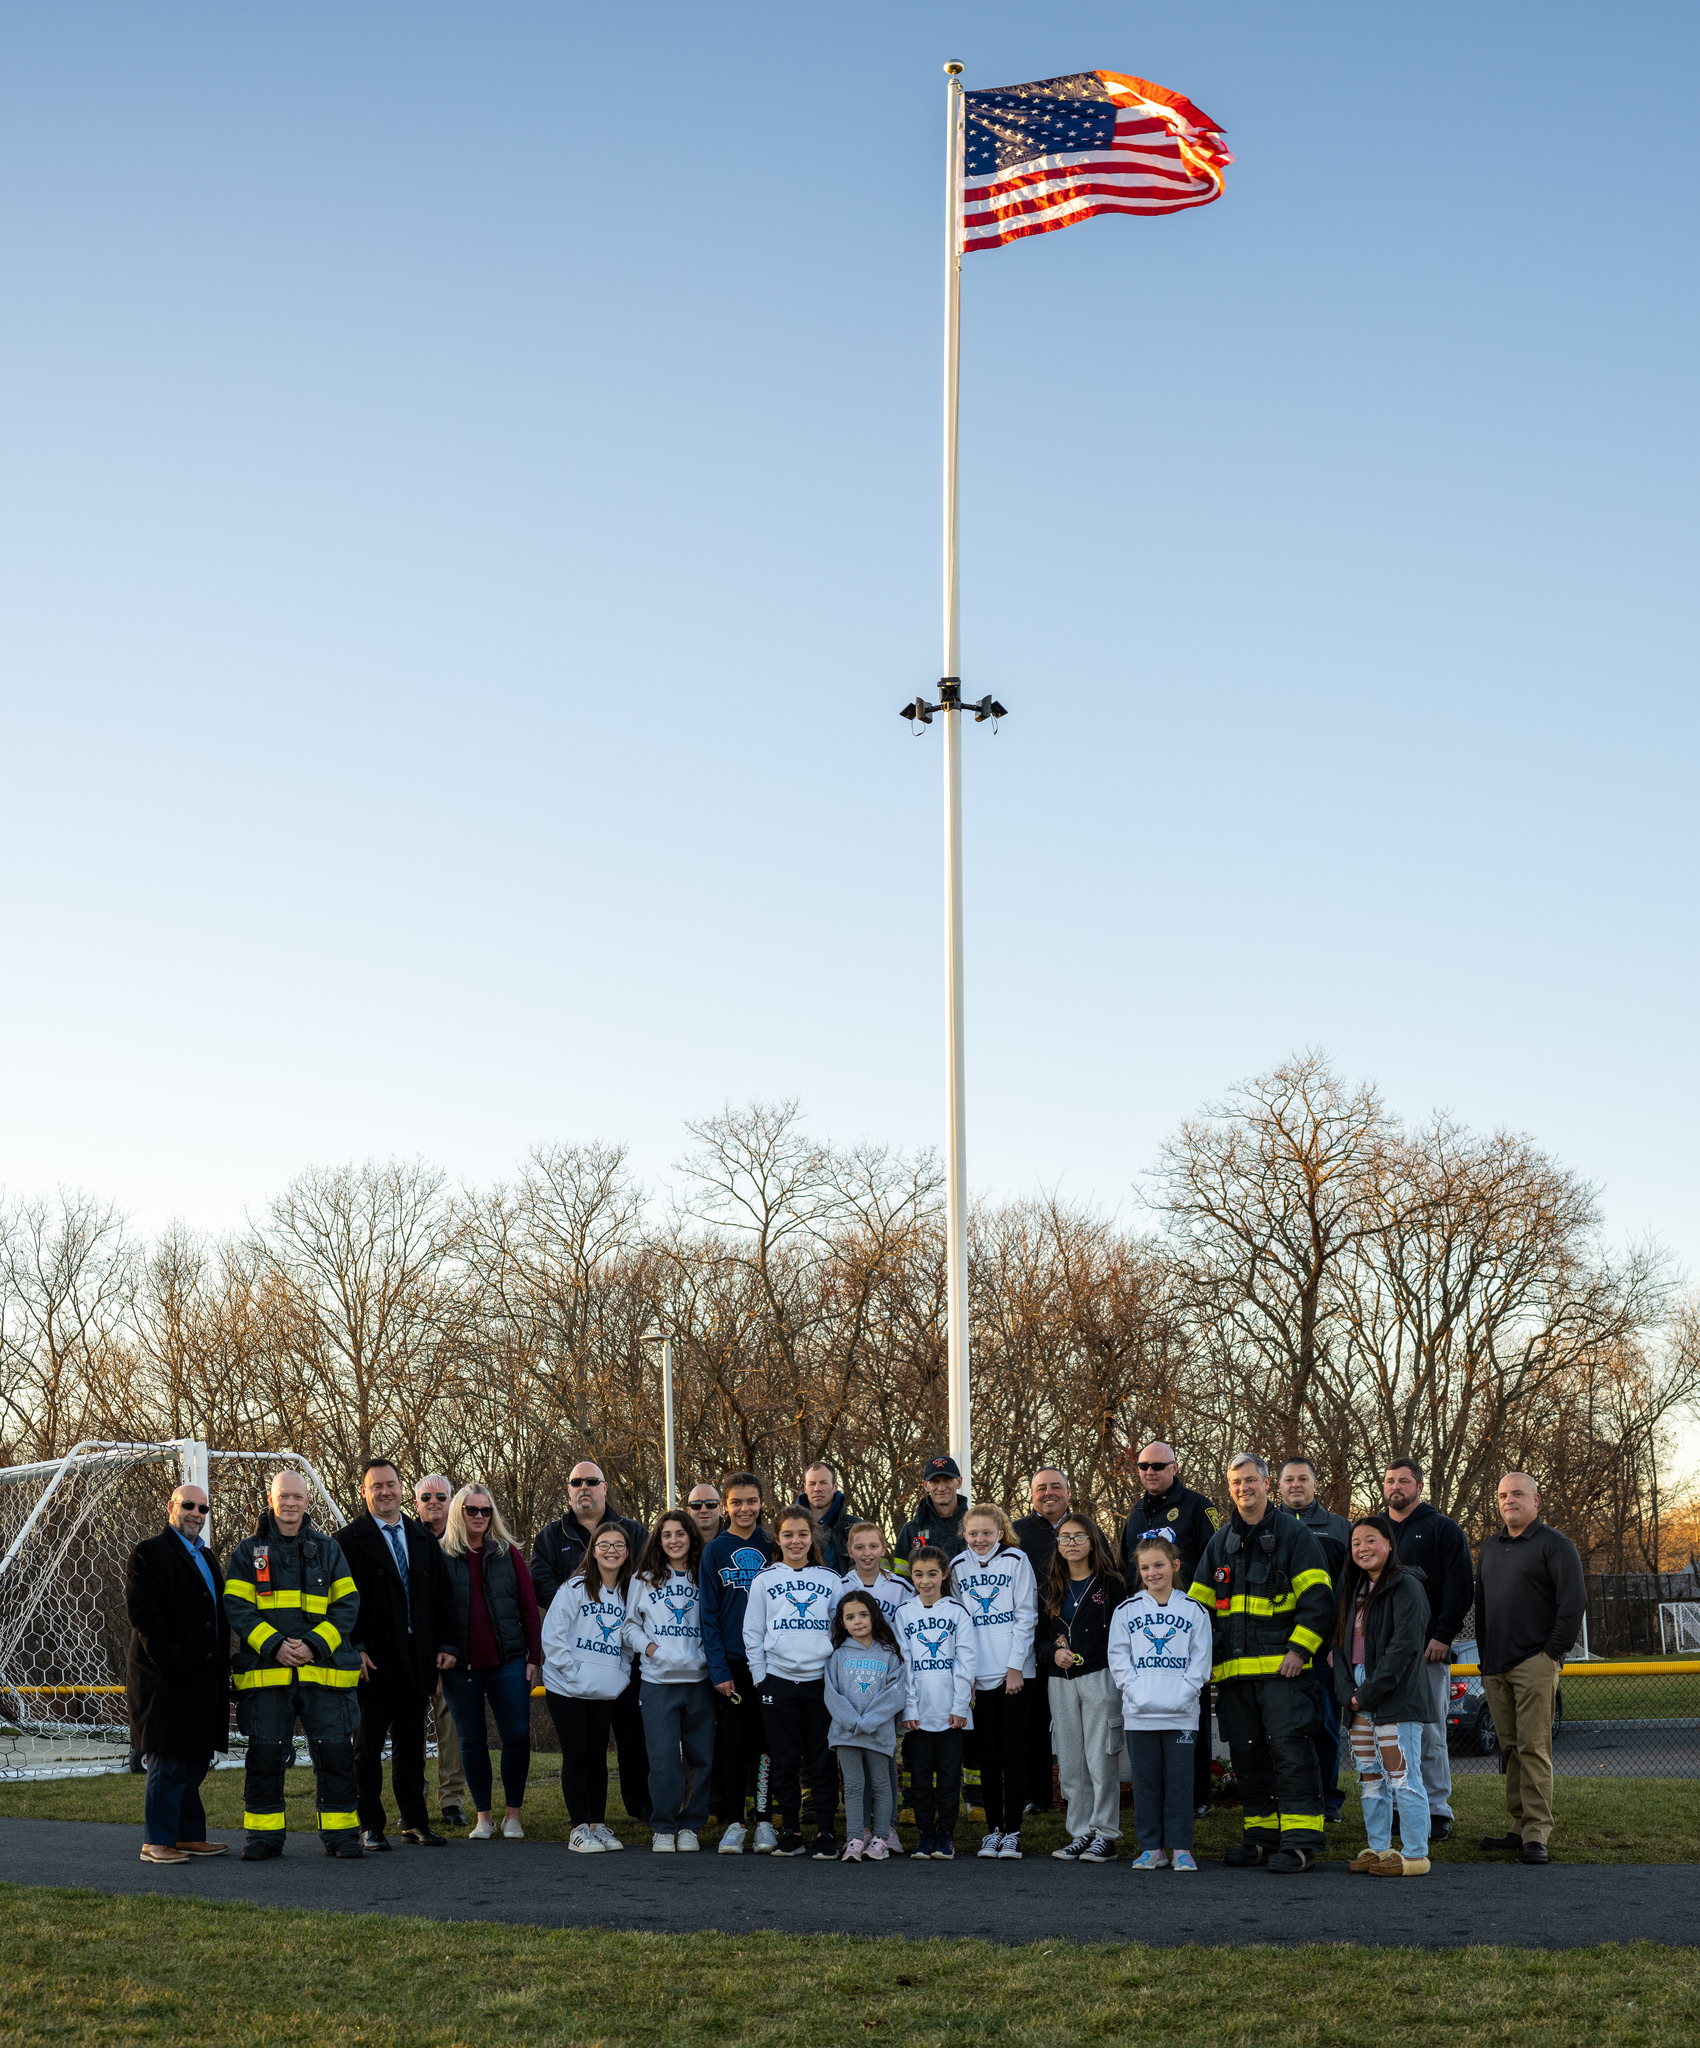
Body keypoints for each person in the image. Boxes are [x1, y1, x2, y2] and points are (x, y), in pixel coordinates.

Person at [1186, 1452, 1334, 1873]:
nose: (1243, 1489)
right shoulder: (1220, 1542)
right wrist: (1207, 1662)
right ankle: (1261, 1838)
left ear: (1267, 1485)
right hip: (1234, 1676)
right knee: (1247, 1758)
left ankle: (1301, 1841)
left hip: (1282, 1674)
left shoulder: (1294, 1535)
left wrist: (1299, 1651)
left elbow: (1318, 1601)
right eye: (1235, 1482)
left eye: (1250, 1480)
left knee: (1290, 1754)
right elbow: (1199, 1609)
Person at [224, 1470, 363, 1860]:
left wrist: (314, 1646)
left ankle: (342, 1836)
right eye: (283, 1496)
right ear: (271, 1500)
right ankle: (263, 1839)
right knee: (265, 1758)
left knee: (335, 1756)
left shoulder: (330, 1550)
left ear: (307, 1501)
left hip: (324, 1675)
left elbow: (347, 1605)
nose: (290, 1503)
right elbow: (237, 1607)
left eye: (297, 1497)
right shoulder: (247, 1552)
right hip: (268, 1676)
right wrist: (274, 1646)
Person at [334, 1459, 458, 1852]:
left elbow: (443, 1598)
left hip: (417, 1657)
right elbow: (339, 1602)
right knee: (366, 1749)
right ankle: (370, 1824)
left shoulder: (421, 1537)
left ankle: (415, 1822)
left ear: (401, 1488)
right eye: (377, 1486)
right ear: (364, 1491)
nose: (385, 1492)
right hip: (372, 1660)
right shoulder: (348, 1541)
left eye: (391, 1484)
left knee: (412, 1748)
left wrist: (447, 1646)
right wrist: (353, 1647)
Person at [1474, 1472, 1585, 1867]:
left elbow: (1573, 1604)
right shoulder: (1490, 1548)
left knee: (1533, 1748)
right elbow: (1483, 1607)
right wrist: (1486, 1659)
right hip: (1496, 1666)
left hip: (1535, 1662)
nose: (1509, 1500)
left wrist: (1552, 1654)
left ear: (1537, 1500)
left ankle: (1537, 1835)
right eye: (1503, 1495)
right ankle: (1519, 1826)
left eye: (1518, 1493)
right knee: (1510, 1749)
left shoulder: (1554, 1545)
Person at [531, 1461, 651, 1823]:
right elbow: (541, 1583)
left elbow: (644, 1581)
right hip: (575, 1659)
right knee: (581, 1748)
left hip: (619, 1657)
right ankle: (580, 1814)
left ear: (605, 1486)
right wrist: (586, 1608)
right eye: (576, 1482)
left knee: (631, 1735)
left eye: (591, 1481)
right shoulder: (552, 1535)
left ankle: (639, 1804)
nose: (584, 1487)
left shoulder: (632, 1530)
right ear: (568, 1489)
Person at [125, 1480, 230, 1864]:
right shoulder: (151, 1552)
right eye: (189, 1505)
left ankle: (187, 1836)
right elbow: (144, 1614)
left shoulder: (207, 1555)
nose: (196, 1514)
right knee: (167, 1759)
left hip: (203, 1679)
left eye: (203, 1509)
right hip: (164, 1676)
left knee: (194, 1759)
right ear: (171, 1506)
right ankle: (157, 1842)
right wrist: (169, 1665)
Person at [438, 1484, 542, 1840]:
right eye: (472, 1510)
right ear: (458, 1513)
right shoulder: (440, 1556)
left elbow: (529, 1609)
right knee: (471, 1739)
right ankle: (484, 1817)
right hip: (459, 1667)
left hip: (509, 1661)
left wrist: (534, 1657)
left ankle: (513, 1815)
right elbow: (429, 1615)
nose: (480, 1516)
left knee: (516, 1735)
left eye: (486, 1510)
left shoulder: (508, 1553)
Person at [1332, 1514, 1433, 1878]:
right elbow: (1339, 1647)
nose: (1363, 1548)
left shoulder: (1407, 1586)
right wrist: (1348, 1693)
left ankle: (1415, 1852)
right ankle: (1378, 1849)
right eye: (1357, 1542)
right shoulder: (1352, 1589)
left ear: (1389, 1545)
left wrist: (1368, 1693)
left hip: (1394, 1694)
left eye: (1371, 1540)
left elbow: (1404, 1648)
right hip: (1358, 1694)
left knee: (1402, 1776)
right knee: (1370, 1776)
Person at [1120, 1441, 1216, 1817]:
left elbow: (1214, 1563)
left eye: (1158, 1465)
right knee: (1151, 1709)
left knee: (1191, 1707)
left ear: (1174, 1468)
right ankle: (1157, 1794)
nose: (1150, 1472)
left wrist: (1201, 1613)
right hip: (1145, 1624)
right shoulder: (1135, 1513)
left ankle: (1197, 1796)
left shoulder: (1198, 1506)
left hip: (1187, 1621)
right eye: (1143, 1466)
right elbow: (1129, 1570)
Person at [1382, 1457, 1474, 1844]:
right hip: (1383, 1654)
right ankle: (1398, 1808)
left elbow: (1460, 1587)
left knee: (1430, 1732)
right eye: (1389, 1481)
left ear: (1419, 1487)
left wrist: (1443, 1635)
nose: (1396, 1487)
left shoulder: (1442, 1529)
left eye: (1404, 1481)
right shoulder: (1373, 1531)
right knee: (1387, 1735)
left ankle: (1437, 1810)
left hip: (1427, 1652)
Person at [743, 1504, 843, 1859]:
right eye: (788, 1534)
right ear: (778, 1538)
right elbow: (753, 1633)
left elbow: (840, 1631)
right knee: (783, 1760)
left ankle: (827, 1832)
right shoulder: (765, 1579)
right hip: (778, 1683)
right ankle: (791, 1831)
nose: (796, 1541)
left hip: (820, 1683)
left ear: (812, 1537)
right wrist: (760, 1679)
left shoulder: (831, 1580)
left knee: (821, 1760)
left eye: (803, 1534)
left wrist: (833, 1677)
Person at [1109, 1532, 1213, 1872]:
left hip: (1182, 1714)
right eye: (1145, 1567)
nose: (1152, 1573)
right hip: (1140, 1714)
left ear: (1175, 1565)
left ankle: (1182, 1847)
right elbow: (1119, 1658)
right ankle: (1151, 1848)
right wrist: (1135, 1691)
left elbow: (1201, 1660)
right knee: (1147, 1782)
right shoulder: (1126, 1610)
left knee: (1180, 1782)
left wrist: (1185, 1692)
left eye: (1159, 1565)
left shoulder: (1195, 1610)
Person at [540, 1522, 637, 1854]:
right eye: (604, 1545)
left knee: (598, 1755)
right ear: (593, 1550)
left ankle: (598, 1824)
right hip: (566, 1686)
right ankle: (578, 1828)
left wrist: (621, 1675)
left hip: (603, 1686)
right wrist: (572, 1673)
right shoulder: (575, 1587)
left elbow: (628, 1643)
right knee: (576, 1753)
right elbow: (552, 1636)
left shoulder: (628, 1593)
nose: (612, 1551)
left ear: (627, 1552)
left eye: (619, 1545)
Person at [951, 1502, 1038, 1860]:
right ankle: (992, 1831)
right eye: (973, 1533)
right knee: (987, 1755)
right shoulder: (957, 1567)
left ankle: (1013, 1831)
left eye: (987, 1532)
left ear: (1000, 1533)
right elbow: (957, 1623)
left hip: (1014, 1675)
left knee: (1012, 1753)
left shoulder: (1017, 1561)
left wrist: (1015, 1666)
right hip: (978, 1676)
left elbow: (1026, 1615)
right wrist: (966, 1676)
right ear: (965, 1535)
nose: (980, 1539)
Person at [626, 1509, 715, 1853]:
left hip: (700, 1681)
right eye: (667, 1535)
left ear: (691, 1536)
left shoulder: (703, 1576)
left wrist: (708, 1657)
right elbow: (629, 1625)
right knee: (662, 1759)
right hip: (658, 1682)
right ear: (658, 1540)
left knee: (700, 1758)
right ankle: (663, 1825)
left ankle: (690, 1825)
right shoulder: (644, 1578)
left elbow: (717, 1621)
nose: (674, 1540)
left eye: (680, 1533)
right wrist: (649, 1648)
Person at [699, 1469, 779, 1853]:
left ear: (762, 1503)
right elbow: (708, 1616)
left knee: (765, 1745)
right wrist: (718, 1669)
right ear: (725, 1506)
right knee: (734, 1743)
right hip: (732, 1665)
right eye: (736, 1502)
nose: (744, 1508)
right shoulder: (715, 1549)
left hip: (770, 1666)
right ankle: (735, 1820)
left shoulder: (774, 1544)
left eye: (751, 1501)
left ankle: (764, 1821)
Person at [1042, 1513, 1126, 1864]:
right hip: (1059, 1681)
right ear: (1057, 1545)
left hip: (1100, 1676)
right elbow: (1038, 1637)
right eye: (1064, 1538)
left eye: (1079, 1536)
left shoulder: (1112, 1584)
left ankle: (1105, 1833)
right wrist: (1053, 1652)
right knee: (1071, 1761)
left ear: (1092, 1541)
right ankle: (1080, 1832)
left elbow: (1122, 1634)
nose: (1071, 1543)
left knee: (1100, 1757)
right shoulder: (1049, 1586)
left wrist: (1087, 1656)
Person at [1277, 1457, 1352, 1824]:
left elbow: (1348, 1594)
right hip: (1275, 1650)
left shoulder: (1340, 1528)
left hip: (1324, 1652)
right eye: (1288, 1479)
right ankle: (1287, 1799)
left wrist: (1340, 1645)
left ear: (1315, 1484)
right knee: (1283, 1731)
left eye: (1302, 1479)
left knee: (1324, 1728)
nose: (1295, 1485)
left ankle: (1329, 1801)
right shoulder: (1263, 1525)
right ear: (1277, 1486)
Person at [839, 1520, 914, 1856]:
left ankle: (889, 1827)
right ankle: (864, 1829)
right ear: (849, 1551)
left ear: (884, 1549)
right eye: (859, 1547)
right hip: (854, 1686)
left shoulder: (901, 1587)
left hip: (889, 1686)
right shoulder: (839, 1586)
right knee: (858, 1765)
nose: (866, 1553)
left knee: (885, 1761)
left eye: (873, 1546)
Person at [897, 1547, 973, 1859]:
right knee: (919, 1780)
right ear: (912, 1576)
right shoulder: (904, 1613)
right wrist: (910, 1707)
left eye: (932, 1574)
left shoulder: (958, 1611)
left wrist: (961, 1705)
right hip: (917, 1714)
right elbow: (904, 1663)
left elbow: (966, 1661)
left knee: (948, 1778)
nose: (926, 1580)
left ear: (943, 1575)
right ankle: (925, 1834)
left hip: (950, 1713)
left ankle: (945, 1835)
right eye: (918, 1574)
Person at [824, 1591, 907, 1861]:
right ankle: (855, 1839)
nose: (858, 1621)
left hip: (878, 1732)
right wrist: (852, 1721)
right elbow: (831, 1694)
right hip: (847, 1733)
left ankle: (881, 1838)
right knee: (853, 1786)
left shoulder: (889, 1654)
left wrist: (869, 1721)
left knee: (882, 1786)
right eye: (850, 1617)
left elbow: (895, 1693)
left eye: (863, 1614)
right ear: (842, 1623)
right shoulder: (837, 1655)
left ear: (874, 1616)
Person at [1013, 1468, 1072, 1813]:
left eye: (1056, 1487)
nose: (1048, 1493)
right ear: (1032, 1494)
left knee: (1074, 1724)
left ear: (1067, 1491)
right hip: (1031, 1641)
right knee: (1033, 1725)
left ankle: (1076, 1796)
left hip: (1075, 1640)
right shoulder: (1017, 1533)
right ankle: (1036, 1797)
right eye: (1041, 1488)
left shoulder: (1083, 1529)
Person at [413, 1472, 467, 1828]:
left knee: (452, 1729)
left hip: (453, 1653)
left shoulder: (464, 1543)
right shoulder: (406, 1540)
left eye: (441, 1497)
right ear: (416, 1504)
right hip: (412, 1654)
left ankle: (452, 1802)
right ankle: (412, 1798)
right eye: (426, 1497)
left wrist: (450, 1648)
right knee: (410, 1730)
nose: (434, 1503)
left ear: (451, 1502)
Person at [894, 1455, 969, 1574]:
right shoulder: (911, 1531)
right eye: (935, 1481)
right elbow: (902, 1581)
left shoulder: (975, 1528)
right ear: (925, 1485)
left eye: (947, 1479)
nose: (941, 1487)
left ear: (959, 1482)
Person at [799, 1460, 858, 1575]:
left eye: (823, 1482)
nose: (817, 1488)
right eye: (812, 1483)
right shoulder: (788, 1529)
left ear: (835, 1486)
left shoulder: (855, 1528)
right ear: (805, 1488)